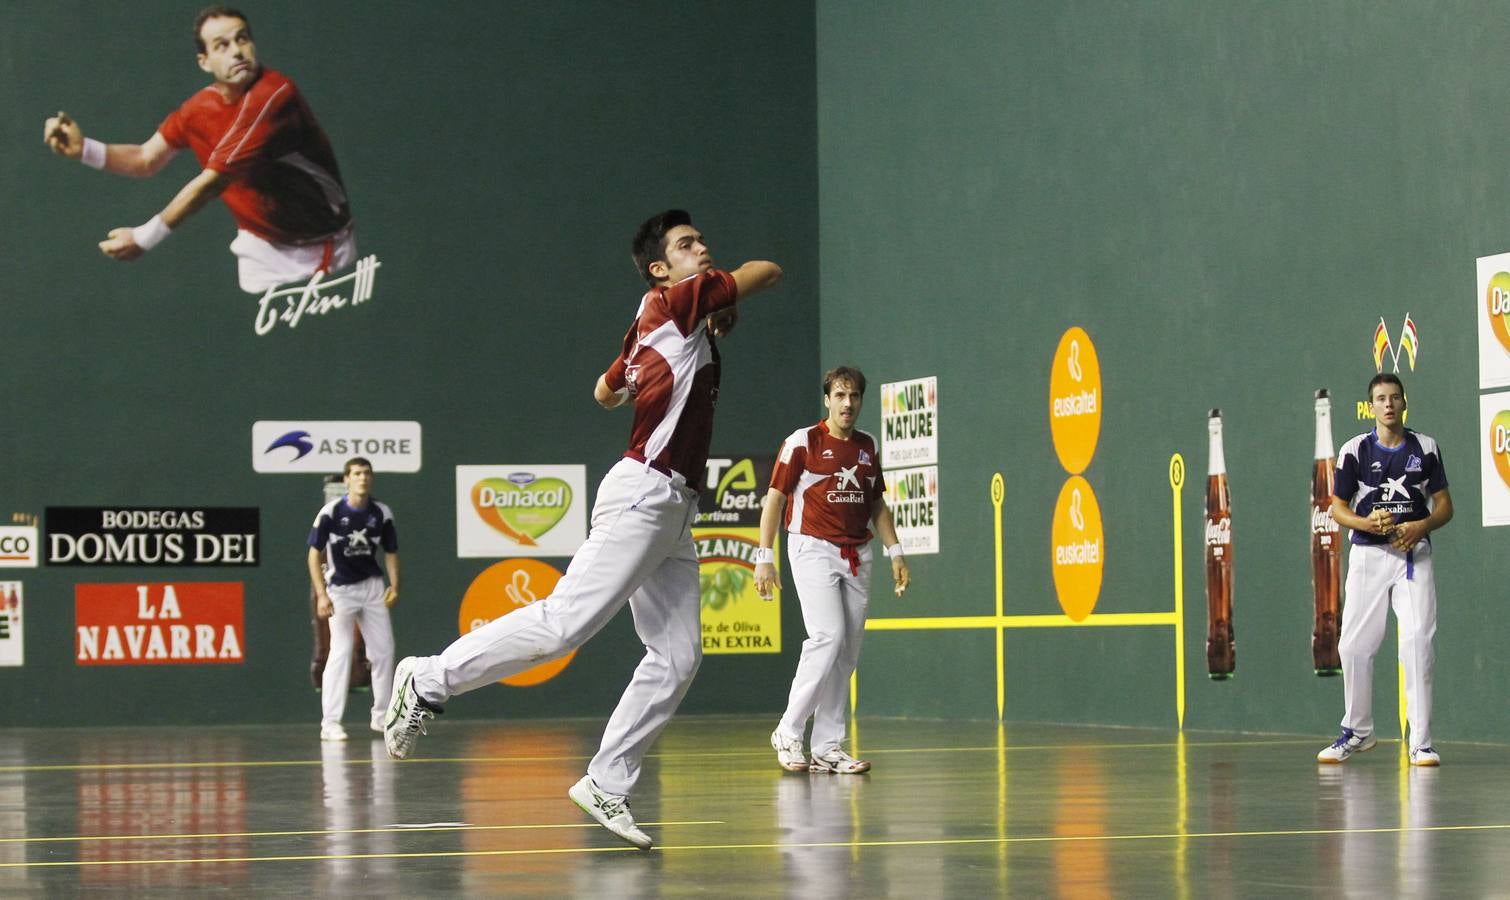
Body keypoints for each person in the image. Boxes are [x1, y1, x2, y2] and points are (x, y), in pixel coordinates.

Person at [383, 210, 781, 850]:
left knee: (678, 655)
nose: (703, 249)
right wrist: (714, 303)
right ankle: (426, 679)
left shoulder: (653, 321)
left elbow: (603, 391)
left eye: (702, 242)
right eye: (687, 245)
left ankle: (606, 782)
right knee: (563, 623)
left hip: (675, 508)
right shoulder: (679, 300)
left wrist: (647, 370)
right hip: (645, 495)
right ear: (661, 268)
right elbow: (769, 271)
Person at [41, 6, 354, 293]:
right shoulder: (198, 109)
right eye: (222, 45)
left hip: (317, 247)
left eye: (242, 39)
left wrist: (144, 239)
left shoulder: (273, 96)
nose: (237, 51)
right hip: (258, 245)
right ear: (204, 61)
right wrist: (84, 149)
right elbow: (145, 159)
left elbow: (211, 184)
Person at [754, 366, 910, 775]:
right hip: (812, 548)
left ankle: (827, 745)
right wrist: (763, 557)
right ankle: (788, 731)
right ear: (827, 399)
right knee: (827, 636)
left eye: (854, 396)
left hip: (858, 553)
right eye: (839, 395)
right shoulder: (802, 442)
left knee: (846, 652)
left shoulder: (868, 445)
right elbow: (774, 499)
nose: (847, 403)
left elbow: (876, 504)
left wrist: (896, 551)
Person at [1317, 373, 1452, 767]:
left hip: (1414, 558)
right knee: (1353, 646)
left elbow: (1444, 505)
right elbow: (1337, 508)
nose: (1388, 404)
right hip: (1368, 557)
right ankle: (1358, 731)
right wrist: (1365, 523)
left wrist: (1421, 526)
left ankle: (1421, 742)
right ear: (1371, 406)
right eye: (1381, 398)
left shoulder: (1426, 448)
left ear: (1404, 403)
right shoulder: (1353, 450)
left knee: (1417, 645)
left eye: (1394, 397)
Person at [308, 457, 399, 742]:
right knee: (341, 651)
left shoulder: (381, 512)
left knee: (383, 652)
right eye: (357, 473)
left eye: (367, 473)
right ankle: (330, 723)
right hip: (340, 590)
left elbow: (391, 552)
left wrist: (395, 584)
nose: (363, 478)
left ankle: (382, 716)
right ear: (347, 479)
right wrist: (322, 593)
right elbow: (313, 554)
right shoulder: (331, 512)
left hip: (372, 588)